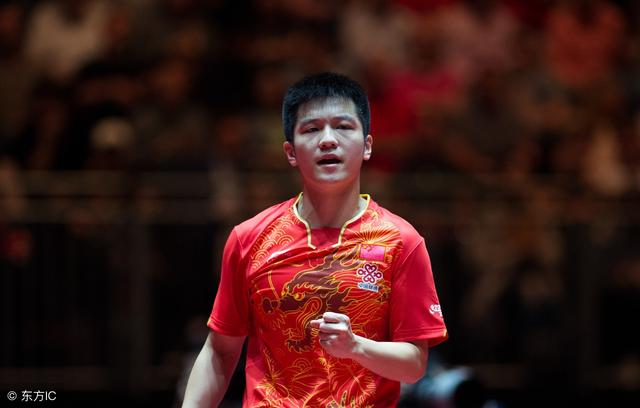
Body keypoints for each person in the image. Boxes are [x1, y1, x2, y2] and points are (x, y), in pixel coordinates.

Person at [182, 72, 448, 407]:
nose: (328, 140)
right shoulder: (249, 238)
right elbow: (219, 352)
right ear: (291, 152)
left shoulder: (402, 242)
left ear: (367, 146)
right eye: (311, 129)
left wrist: (356, 347)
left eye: (343, 127)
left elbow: (414, 364)